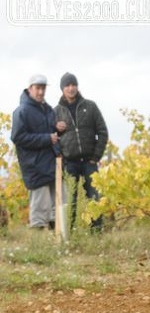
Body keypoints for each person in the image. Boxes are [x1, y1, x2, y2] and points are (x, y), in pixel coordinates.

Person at [54, 72, 109, 230]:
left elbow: (102, 132)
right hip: (69, 163)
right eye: (67, 85)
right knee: (70, 198)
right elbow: (52, 138)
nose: (71, 88)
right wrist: (61, 157)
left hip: (89, 162)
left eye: (73, 85)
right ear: (62, 89)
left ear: (77, 87)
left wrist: (96, 156)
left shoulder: (90, 106)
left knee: (94, 197)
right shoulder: (56, 112)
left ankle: (96, 232)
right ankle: (69, 232)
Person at [10, 74, 59, 230]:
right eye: (37, 88)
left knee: (54, 210)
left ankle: (55, 245)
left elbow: (53, 135)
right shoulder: (21, 111)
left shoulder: (48, 110)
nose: (40, 92)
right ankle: (37, 247)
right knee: (39, 211)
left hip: (51, 164)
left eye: (43, 88)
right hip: (34, 166)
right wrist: (47, 139)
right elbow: (18, 137)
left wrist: (59, 131)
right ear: (30, 89)